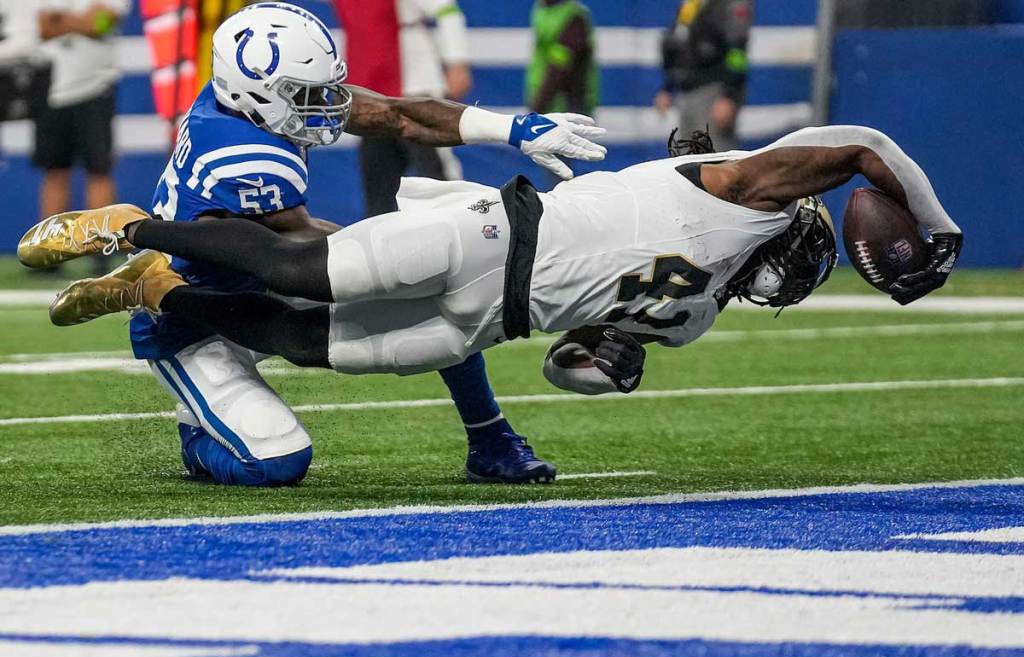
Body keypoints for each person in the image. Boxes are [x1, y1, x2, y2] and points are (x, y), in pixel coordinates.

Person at [22, 2, 606, 487]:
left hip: (263, 272)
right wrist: (431, 246)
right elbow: (303, 258)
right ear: (253, 93)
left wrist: (510, 128)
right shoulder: (248, 158)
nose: (325, 103)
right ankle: (195, 428)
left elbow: (398, 115)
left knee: (430, 288)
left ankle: (490, 438)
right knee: (277, 461)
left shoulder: (248, 101)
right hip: (197, 312)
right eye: (305, 93)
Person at [26, 126, 963, 403]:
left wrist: (612, 362)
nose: (792, 281)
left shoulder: (701, 315)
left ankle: (164, 295)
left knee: (307, 343)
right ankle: (133, 228)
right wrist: (934, 224)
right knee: (310, 271)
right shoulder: (735, 190)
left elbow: (576, 363)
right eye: (805, 260)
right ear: (791, 228)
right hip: (497, 234)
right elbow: (866, 141)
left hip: (495, 320)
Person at [334, 0, 474, 216]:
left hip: (415, 87)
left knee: (436, 174)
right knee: (379, 183)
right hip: (371, 96)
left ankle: (463, 226)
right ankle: (381, 242)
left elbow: (447, 12)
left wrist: (457, 62)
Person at [33, 0, 130, 275]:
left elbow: (100, 24)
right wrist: (81, 22)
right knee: (55, 170)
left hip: (95, 88)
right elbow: (43, 27)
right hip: (53, 89)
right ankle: (48, 252)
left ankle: (101, 248)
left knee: (98, 170)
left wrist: (63, 20)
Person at [655, 0, 752, 151]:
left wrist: (729, 95)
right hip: (687, 92)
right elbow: (678, 46)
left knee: (715, 156)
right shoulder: (691, 5)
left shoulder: (730, 4)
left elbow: (737, 51)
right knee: (685, 159)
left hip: (714, 91)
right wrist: (668, 87)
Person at [527, 0, 598, 117]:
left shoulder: (574, 17)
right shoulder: (542, 10)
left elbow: (559, 67)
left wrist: (537, 107)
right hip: (546, 103)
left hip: (567, 106)